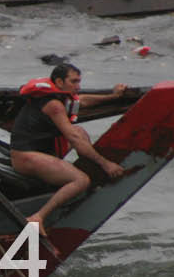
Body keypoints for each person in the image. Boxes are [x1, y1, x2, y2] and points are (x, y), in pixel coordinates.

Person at [10, 63, 126, 231]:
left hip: (38, 153)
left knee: (79, 130)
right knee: (81, 180)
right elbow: (72, 138)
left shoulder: (59, 98)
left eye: (79, 81)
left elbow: (83, 101)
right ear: (59, 81)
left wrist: (113, 96)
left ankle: (83, 167)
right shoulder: (54, 105)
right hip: (25, 157)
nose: (78, 87)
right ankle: (37, 217)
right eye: (74, 82)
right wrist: (105, 164)